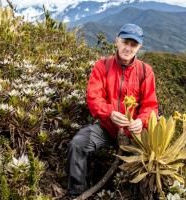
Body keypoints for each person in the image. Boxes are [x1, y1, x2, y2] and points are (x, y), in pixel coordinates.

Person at [67, 23, 158, 197]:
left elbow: (151, 106)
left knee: (150, 169)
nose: (128, 48)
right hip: (107, 129)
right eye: (125, 42)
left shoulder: (146, 72)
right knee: (77, 145)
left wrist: (141, 121)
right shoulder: (102, 66)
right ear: (117, 40)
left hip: (135, 136)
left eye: (133, 44)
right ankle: (76, 193)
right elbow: (94, 98)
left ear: (139, 47)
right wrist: (110, 113)